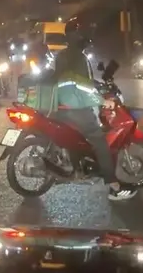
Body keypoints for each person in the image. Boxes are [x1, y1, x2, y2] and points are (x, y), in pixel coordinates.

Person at [43, 19, 136, 201]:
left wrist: (96, 86)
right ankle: (114, 186)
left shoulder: (61, 56)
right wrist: (103, 100)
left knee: (76, 135)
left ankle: (76, 165)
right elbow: (83, 86)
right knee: (99, 141)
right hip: (76, 108)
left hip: (60, 105)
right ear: (80, 37)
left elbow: (70, 79)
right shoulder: (80, 58)